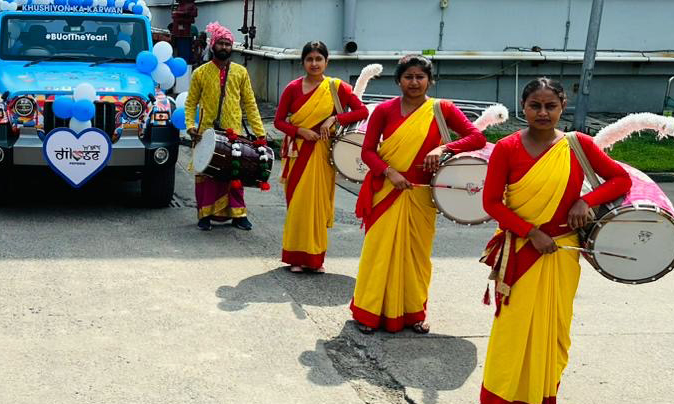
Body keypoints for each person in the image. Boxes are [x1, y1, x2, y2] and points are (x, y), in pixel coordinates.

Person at [479, 77, 630, 404]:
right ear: (523, 107)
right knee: (514, 326)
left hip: (562, 250)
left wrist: (586, 200)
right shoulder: (506, 148)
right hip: (521, 250)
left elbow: (621, 180)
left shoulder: (579, 145)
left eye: (551, 106)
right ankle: (502, 399)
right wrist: (531, 233)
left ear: (563, 107)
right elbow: (491, 203)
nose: (543, 113)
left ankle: (543, 398)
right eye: (535, 106)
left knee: (554, 326)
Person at [351, 54, 485, 334]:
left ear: (430, 80)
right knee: (378, 254)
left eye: (420, 77)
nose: (414, 82)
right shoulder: (384, 111)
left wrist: (443, 148)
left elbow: (477, 137)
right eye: (408, 77)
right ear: (398, 80)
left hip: (421, 195)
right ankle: (368, 313)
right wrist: (389, 172)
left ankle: (413, 313)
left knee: (416, 257)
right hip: (387, 191)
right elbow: (367, 151)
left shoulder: (442, 109)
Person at [273, 41, 368, 272]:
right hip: (297, 153)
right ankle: (296, 258)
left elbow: (362, 111)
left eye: (318, 59)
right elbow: (278, 121)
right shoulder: (293, 88)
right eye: (310, 59)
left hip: (323, 153)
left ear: (327, 61)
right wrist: (299, 131)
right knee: (298, 205)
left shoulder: (337, 87)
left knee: (317, 205)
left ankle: (315, 260)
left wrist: (334, 118)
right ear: (303, 62)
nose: (314, 63)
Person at [184, 21, 266, 230]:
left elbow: (250, 103)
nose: (224, 47)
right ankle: (204, 215)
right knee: (206, 175)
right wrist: (190, 126)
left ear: (232, 47)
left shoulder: (240, 72)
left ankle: (239, 215)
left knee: (236, 174)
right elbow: (191, 103)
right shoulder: (200, 73)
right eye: (220, 43)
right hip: (205, 133)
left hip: (233, 133)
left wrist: (260, 133)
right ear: (213, 45)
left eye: (227, 44)